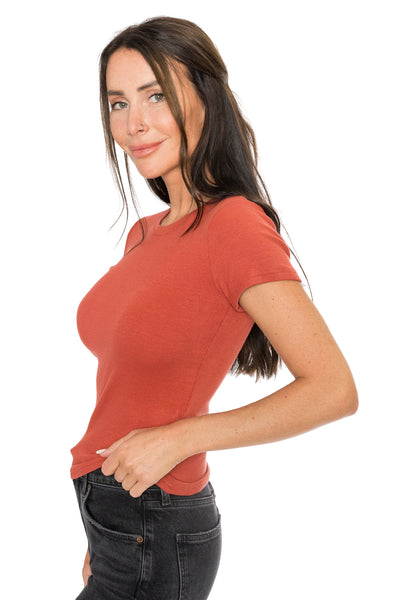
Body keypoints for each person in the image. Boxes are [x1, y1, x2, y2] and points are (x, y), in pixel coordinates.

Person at [71, 16, 358, 600]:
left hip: (156, 519)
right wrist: (103, 532)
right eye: (118, 102)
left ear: (206, 96)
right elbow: (130, 386)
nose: (134, 123)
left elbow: (334, 389)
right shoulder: (145, 234)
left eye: (156, 95)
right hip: (122, 519)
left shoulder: (234, 227)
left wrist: (177, 439)